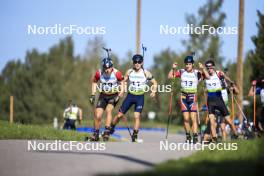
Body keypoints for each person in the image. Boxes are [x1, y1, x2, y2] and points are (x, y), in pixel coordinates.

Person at [110, 54, 157, 142]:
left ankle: (135, 135)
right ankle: (111, 128)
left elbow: (155, 83)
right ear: (133, 62)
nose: (137, 64)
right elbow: (123, 81)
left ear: (142, 62)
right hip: (130, 96)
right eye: (135, 62)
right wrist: (121, 91)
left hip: (140, 97)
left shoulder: (146, 72)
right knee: (119, 115)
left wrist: (153, 91)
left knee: (136, 116)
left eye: (139, 62)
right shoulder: (129, 71)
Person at [168, 55, 209, 143]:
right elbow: (170, 76)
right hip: (183, 97)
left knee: (193, 117)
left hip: (192, 96)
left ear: (192, 64)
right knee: (186, 118)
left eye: (189, 64)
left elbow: (207, 77)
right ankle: (188, 136)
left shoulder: (197, 73)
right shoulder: (182, 71)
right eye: (186, 64)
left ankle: (195, 136)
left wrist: (203, 68)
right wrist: (173, 68)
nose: (187, 66)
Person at [87, 57, 124, 141]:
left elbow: (122, 83)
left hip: (113, 95)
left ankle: (107, 132)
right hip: (103, 95)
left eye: (109, 68)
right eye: (105, 68)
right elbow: (94, 82)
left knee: (109, 110)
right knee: (97, 114)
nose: (107, 70)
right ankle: (96, 133)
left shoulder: (117, 73)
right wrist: (92, 94)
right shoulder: (99, 73)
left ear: (112, 67)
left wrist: (120, 94)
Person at [204, 60, 238, 142]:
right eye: (208, 68)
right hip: (210, 101)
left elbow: (226, 78)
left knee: (229, 121)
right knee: (212, 121)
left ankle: (236, 135)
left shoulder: (219, 73)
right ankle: (215, 138)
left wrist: (230, 82)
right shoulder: (205, 75)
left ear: (214, 67)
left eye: (211, 68)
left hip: (219, 100)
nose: (209, 70)